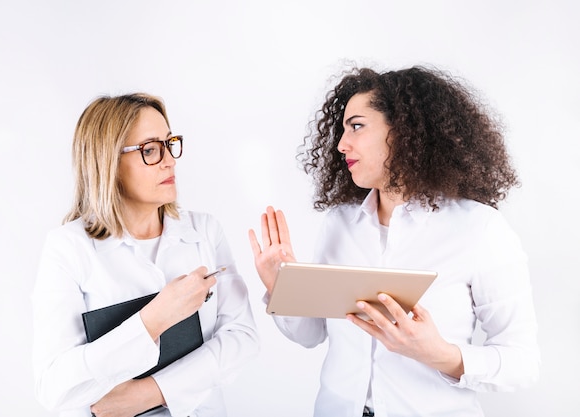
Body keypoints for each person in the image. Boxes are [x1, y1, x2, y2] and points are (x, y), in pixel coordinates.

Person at [249, 66, 540, 417]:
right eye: (342, 129)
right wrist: (280, 286)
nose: (342, 144)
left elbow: (522, 362)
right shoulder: (339, 224)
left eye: (356, 126)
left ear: (404, 131)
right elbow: (311, 335)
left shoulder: (480, 229)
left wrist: (440, 354)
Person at [33, 93, 259, 417]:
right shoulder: (68, 248)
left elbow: (243, 338)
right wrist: (154, 319)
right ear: (107, 162)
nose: (170, 160)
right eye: (150, 150)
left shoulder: (205, 230)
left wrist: (151, 393)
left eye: (170, 143)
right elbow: (55, 386)